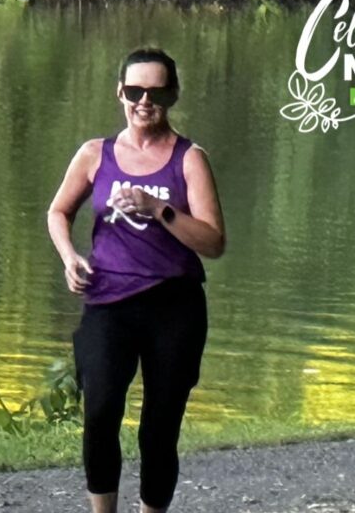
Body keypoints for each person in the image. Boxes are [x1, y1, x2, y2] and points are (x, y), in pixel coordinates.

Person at [46, 48, 226, 513]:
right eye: (135, 90)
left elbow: (213, 242)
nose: (145, 101)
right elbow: (58, 211)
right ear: (120, 93)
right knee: (101, 413)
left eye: (157, 91)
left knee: (158, 430)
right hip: (108, 303)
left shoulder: (190, 159)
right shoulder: (95, 154)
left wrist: (159, 209)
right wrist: (70, 258)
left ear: (173, 94)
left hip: (174, 308)